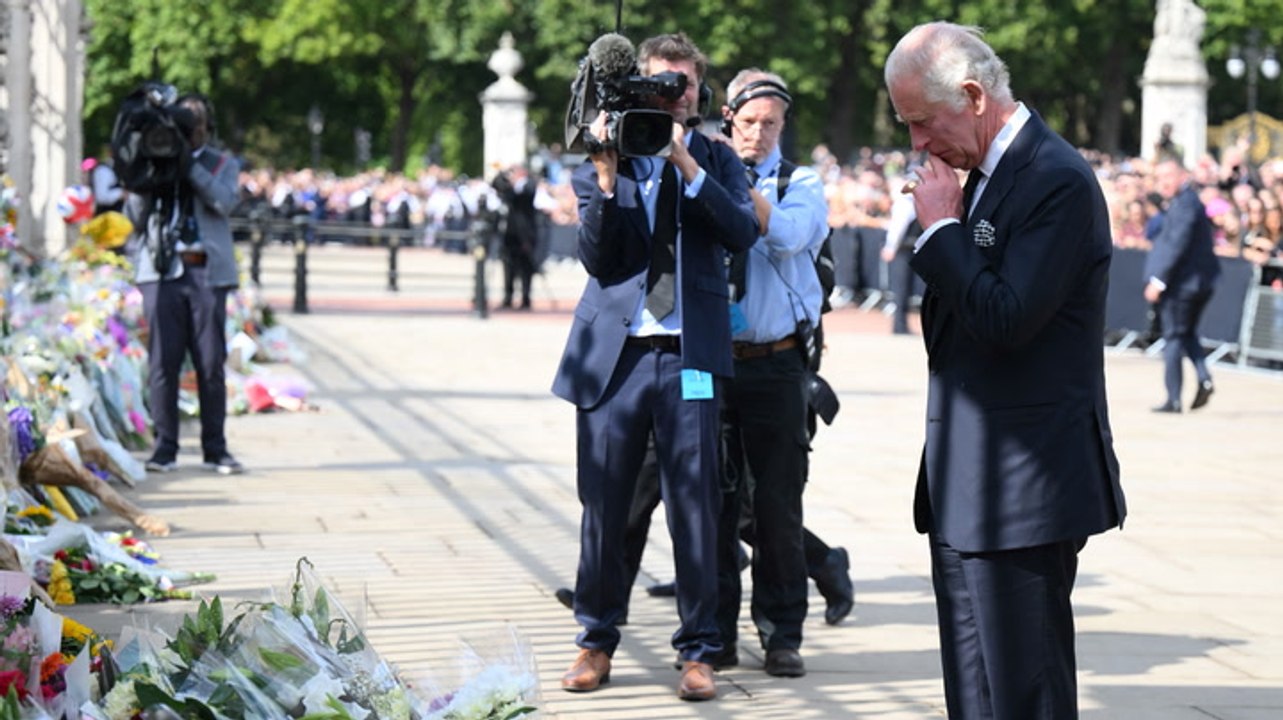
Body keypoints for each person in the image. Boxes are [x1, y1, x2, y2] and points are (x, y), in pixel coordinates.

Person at [885, 22, 1127, 718]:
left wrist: (939, 232)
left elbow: (1007, 318)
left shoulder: (1053, 178)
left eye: (923, 122)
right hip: (968, 479)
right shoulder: (988, 175)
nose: (918, 145)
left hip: (1025, 486)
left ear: (972, 95)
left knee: (1025, 692)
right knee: (975, 692)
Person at [550, 32, 757, 702]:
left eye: (684, 86)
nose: (672, 96)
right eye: (660, 84)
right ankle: (595, 640)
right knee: (604, 507)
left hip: (688, 356)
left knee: (696, 508)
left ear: (698, 94)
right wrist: (610, 178)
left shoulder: (715, 159)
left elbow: (741, 232)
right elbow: (598, 258)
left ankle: (698, 651)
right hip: (616, 360)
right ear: (637, 86)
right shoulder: (603, 154)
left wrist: (685, 164)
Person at [714, 68, 830, 678]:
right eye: (749, 122)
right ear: (728, 117)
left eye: (771, 124)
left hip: (778, 361)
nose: (759, 134)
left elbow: (785, 236)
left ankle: (783, 632)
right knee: (713, 501)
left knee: (779, 507)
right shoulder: (700, 170)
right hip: (712, 363)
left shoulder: (801, 182)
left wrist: (736, 183)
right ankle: (714, 636)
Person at [127, 93, 245, 476]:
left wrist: (188, 165)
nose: (186, 133)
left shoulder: (221, 163)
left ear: (206, 129)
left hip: (206, 272)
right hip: (162, 271)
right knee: (163, 361)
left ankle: (216, 448)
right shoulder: (155, 159)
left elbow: (224, 201)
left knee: (210, 362)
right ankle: (165, 449)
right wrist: (144, 171)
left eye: (193, 126)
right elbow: (135, 218)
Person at [1144, 158, 1219, 413]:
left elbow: (1178, 244)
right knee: (1186, 334)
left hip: (1183, 284)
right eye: (1158, 177)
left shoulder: (1186, 203)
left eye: (1167, 176)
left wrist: (1158, 280)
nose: (1162, 182)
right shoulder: (1182, 202)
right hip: (1194, 282)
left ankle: (1173, 399)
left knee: (1174, 336)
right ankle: (1203, 377)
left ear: (1181, 176)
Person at [491, 164, 539, 310]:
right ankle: (508, 296)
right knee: (508, 266)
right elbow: (496, 186)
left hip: (526, 233)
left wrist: (515, 182)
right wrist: (503, 174)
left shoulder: (528, 184)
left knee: (525, 267)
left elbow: (525, 193)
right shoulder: (510, 189)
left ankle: (526, 297)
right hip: (510, 233)